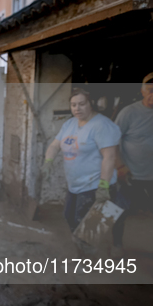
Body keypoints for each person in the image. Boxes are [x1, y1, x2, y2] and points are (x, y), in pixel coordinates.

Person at [42, 88, 121, 233]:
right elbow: (55, 145)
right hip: (76, 185)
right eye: (73, 105)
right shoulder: (70, 124)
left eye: (82, 104)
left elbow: (109, 157)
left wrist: (103, 186)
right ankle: (86, 250)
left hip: (95, 185)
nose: (77, 108)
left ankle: (91, 253)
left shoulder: (102, 125)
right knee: (69, 217)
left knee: (86, 228)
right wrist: (48, 162)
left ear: (91, 103)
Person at [113, 72, 153, 249]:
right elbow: (111, 141)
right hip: (129, 172)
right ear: (142, 91)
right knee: (117, 211)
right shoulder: (129, 112)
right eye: (150, 90)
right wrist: (120, 166)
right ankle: (115, 244)